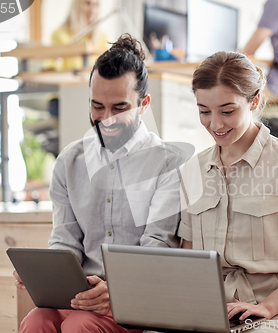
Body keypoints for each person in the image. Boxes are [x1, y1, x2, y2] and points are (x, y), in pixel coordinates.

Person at [14, 34, 182, 333]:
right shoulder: (70, 161)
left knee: (81, 326)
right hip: (79, 296)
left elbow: (158, 247)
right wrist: (44, 272)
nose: (106, 119)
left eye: (119, 108)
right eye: (97, 106)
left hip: (136, 299)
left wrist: (115, 289)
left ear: (144, 104)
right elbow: (65, 239)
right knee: (36, 322)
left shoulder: (167, 163)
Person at [178, 51, 278, 332]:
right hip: (212, 311)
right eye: (204, 111)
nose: (215, 124)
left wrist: (267, 307)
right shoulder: (194, 169)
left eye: (227, 111)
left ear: (253, 101)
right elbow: (190, 258)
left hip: (275, 313)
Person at [46, 0, 107, 71]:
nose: (92, 9)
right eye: (88, 3)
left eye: (96, 5)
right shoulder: (59, 34)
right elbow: (52, 67)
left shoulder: (101, 36)